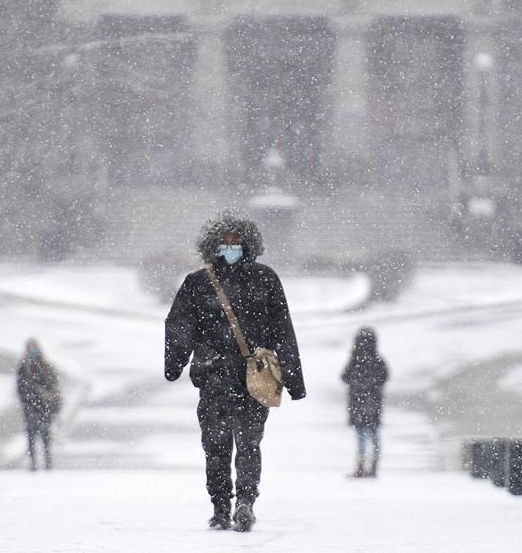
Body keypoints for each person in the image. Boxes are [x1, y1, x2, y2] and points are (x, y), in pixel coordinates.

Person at [165, 209, 306, 532]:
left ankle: (244, 502)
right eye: (224, 241)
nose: (230, 246)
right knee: (215, 447)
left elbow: (283, 330)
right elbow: (179, 326)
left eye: (236, 241)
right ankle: (220, 505)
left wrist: (294, 379)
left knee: (248, 445)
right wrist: (175, 361)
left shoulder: (265, 279)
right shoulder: (198, 283)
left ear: (248, 243)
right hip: (213, 377)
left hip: (251, 380)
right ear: (212, 245)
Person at [341, 326, 388, 478]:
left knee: (361, 435)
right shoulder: (377, 360)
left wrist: (358, 384)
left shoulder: (355, 360)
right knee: (374, 434)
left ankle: (361, 467)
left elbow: (344, 377)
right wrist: (371, 385)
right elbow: (384, 377)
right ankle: (374, 465)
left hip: (357, 402)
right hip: (373, 402)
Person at [16, 338, 61, 471]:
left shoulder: (45, 367)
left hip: (44, 407)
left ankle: (47, 460)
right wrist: (27, 402)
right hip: (31, 407)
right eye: (30, 348)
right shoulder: (24, 368)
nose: (33, 351)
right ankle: (33, 462)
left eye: (34, 348)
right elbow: (20, 388)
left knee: (45, 435)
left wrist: (52, 402)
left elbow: (52, 385)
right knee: (31, 436)